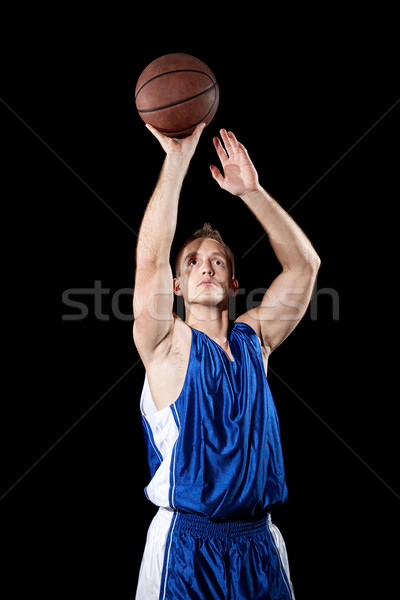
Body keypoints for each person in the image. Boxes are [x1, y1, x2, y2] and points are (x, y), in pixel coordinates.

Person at [133, 122, 320, 600]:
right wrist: (177, 161)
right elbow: (151, 260)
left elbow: (305, 266)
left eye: (218, 261)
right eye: (192, 262)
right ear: (177, 287)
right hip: (186, 547)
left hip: (260, 542)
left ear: (234, 284)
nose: (206, 266)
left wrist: (252, 192)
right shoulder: (166, 345)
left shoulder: (254, 339)